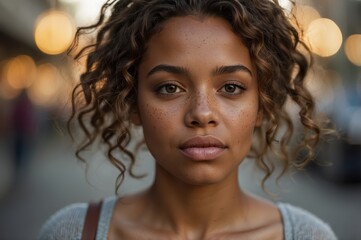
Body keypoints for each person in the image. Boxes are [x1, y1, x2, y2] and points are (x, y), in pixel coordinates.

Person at [39, 0, 337, 239]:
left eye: (231, 88)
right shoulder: (72, 232)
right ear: (132, 103)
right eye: (170, 88)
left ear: (262, 105)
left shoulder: (309, 235)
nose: (202, 113)